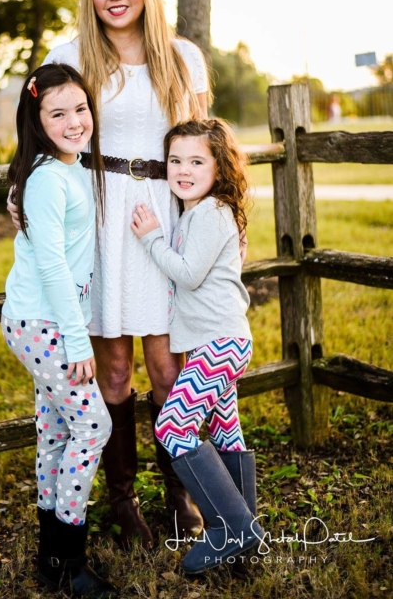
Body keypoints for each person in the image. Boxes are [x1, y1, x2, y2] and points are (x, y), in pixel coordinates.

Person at [8, 0, 207, 547]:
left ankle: (181, 492)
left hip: (164, 216)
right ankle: (122, 501)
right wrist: (17, 187)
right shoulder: (69, 55)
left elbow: (201, 144)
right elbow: (37, 133)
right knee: (114, 366)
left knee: (170, 369)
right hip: (95, 214)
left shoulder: (181, 56)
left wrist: (216, 219)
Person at [2, 63, 116, 597]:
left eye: (81, 108)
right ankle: (71, 560)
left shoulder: (60, 168)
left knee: (56, 431)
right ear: (36, 118)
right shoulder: (48, 177)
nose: (74, 121)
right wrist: (76, 339)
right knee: (93, 426)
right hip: (43, 322)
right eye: (58, 113)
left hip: (39, 320)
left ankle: (50, 559)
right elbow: (51, 267)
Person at [131, 118, 264, 574]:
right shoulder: (200, 211)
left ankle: (232, 528)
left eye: (196, 161)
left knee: (173, 428)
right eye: (174, 160)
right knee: (227, 434)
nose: (182, 170)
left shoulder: (210, 212)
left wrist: (149, 238)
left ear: (220, 166)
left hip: (218, 345)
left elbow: (187, 273)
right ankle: (244, 555)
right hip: (221, 343)